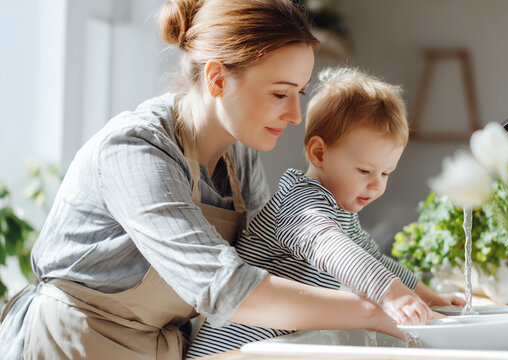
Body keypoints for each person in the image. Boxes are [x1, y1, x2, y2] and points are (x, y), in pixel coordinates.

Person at [0, 2, 406, 359]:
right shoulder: (135, 150)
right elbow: (225, 286)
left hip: (159, 348)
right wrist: (372, 309)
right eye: (280, 94)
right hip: (73, 345)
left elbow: (267, 263)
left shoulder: (239, 156)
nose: (296, 116)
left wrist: (392, 290)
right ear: (217, 79)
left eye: (299, 93)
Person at [187, 68, 465, 357]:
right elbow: (331, 247)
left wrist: (430, 298)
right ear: (319, 154)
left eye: (386, 173)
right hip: (225, 353)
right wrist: (391, 294)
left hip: (266, 349)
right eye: (364, 170)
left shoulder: (338, 209)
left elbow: (374, 258)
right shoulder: (299, 203)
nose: (376, 184)